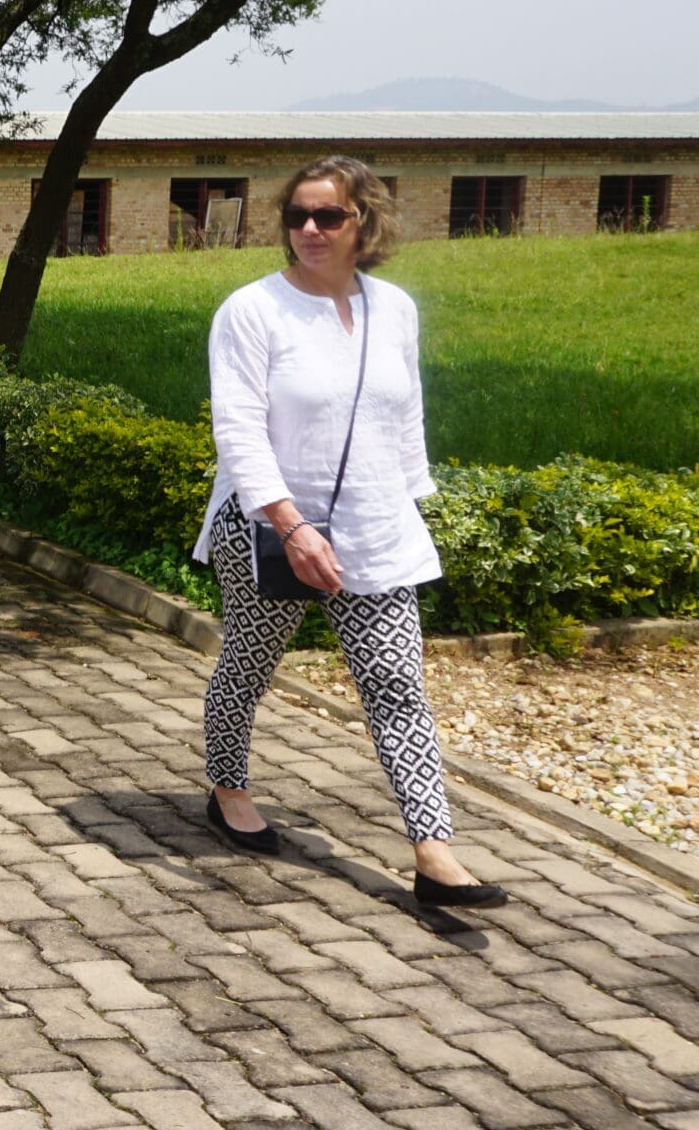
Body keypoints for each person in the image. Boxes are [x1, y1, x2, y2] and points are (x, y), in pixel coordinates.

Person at [195, 156, 505, 908]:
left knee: (399, 688)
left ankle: (435, 855)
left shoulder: (393, 307)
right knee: (248, 662)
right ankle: (228, 787)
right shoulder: (252, 310)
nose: (308, 229)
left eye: (327, 215)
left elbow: (406, 414)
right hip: (268, 526)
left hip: (373, 524)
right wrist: (291, 524)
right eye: (297, 215)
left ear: (364, 221)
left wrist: (410, 505)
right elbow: (238, 431)